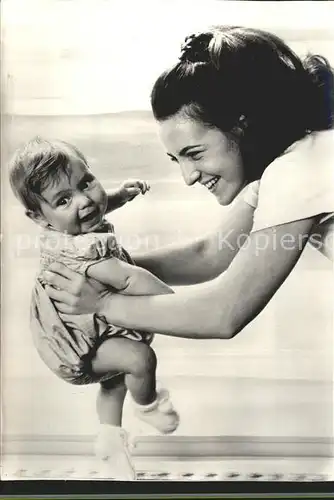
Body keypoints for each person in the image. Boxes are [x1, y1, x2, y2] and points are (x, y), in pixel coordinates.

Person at [43, 27, 333, 342]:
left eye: (194, 154)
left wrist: (103, 303)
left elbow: (224, 314)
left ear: (242, 124)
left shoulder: (297, 169)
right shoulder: (293, 159)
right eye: (176, 160)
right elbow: (209, 254)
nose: (189, 176)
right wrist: (97, 269)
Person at [9, 137, 180, 480]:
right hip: (76, 347)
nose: (85, 200)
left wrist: (119, 196)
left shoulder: (63, 225)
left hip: (84, 331)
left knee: (115, 381)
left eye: (86, 182)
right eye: (64, 199)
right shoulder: (85, 254)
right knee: (139, 359)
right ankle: (148, 406)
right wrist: (176, 304)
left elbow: (89, 210)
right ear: (38, 217)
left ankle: (110, 440)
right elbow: (131, 280)